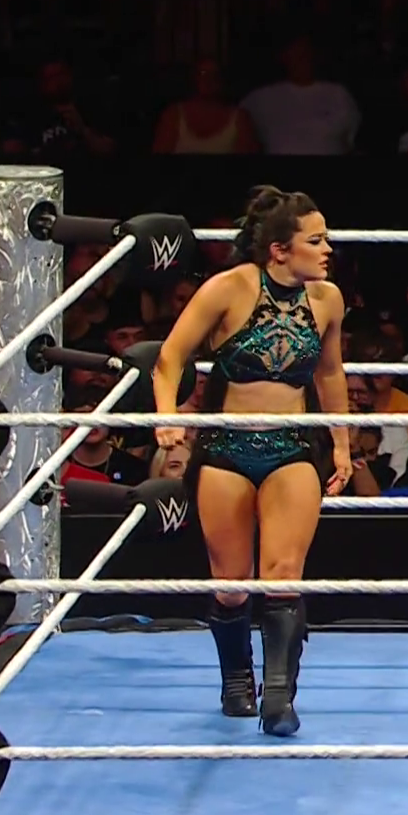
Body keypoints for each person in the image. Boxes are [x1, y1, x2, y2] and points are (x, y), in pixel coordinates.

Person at [151, 186, 353, 735]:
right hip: (225, 450)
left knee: (284, 573)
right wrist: (166, 416)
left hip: (292, 446)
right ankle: (237, 679)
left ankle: (280, 697)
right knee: (231, 582)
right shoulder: (229, 288)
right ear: (280, 250)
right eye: (316, 240)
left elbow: (329, 373)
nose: (328, 249)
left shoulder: (327, 300)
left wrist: (341, 442)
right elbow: (170, 358)